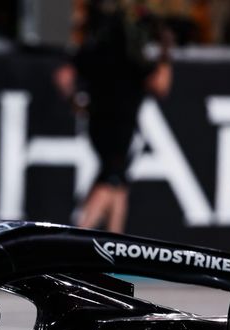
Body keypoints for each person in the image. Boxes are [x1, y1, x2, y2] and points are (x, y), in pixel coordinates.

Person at [54, 0, 172, 233]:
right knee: (112, 180)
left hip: (97, 125)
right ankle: (77, 236)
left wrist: (75, 100)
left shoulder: (97, 45)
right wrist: (166, 53)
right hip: (121, 128)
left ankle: (114, 245)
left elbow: (63, 76)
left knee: (119, 184)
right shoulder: (135, 51)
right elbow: (161, 86)